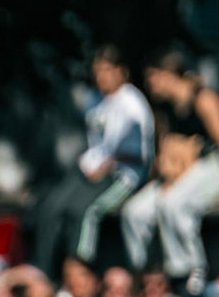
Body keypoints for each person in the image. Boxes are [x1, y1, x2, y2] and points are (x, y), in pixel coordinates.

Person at [127, 50, 219, 293]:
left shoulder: (203, 98)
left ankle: (189, 271)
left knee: (173, 204)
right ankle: (146, 273)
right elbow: (165, 150)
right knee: (134, 212)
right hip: (179, 173)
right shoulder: (164, 108)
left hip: (211, 168)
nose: (150, 84)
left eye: (153, 77)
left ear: (169, 73)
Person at [33, 46, 154, 272]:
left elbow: (144, 154)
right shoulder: (94, 99)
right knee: (52, 205)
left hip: (122, 173)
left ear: (121, 71)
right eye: (97, 71)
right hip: (92, 169)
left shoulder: (133, 105)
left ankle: (79, 270)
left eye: (107, 70)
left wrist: (109, 162)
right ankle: (43, 269)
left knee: (84, 210)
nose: (101, 77)